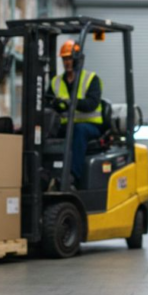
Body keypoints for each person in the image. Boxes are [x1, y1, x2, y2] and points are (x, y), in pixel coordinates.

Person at [51, 40, 104, 188]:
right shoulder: (56, 81)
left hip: (90, 127)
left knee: (78, 130)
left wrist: (71, 103)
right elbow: (48, 102)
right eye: (64, 59)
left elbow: (91, 104)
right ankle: (47, 174)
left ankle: (72, 176)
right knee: (45, 132)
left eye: (70, 58)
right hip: (66, 126)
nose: (67, 62)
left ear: (78, 59)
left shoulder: (91, 79)